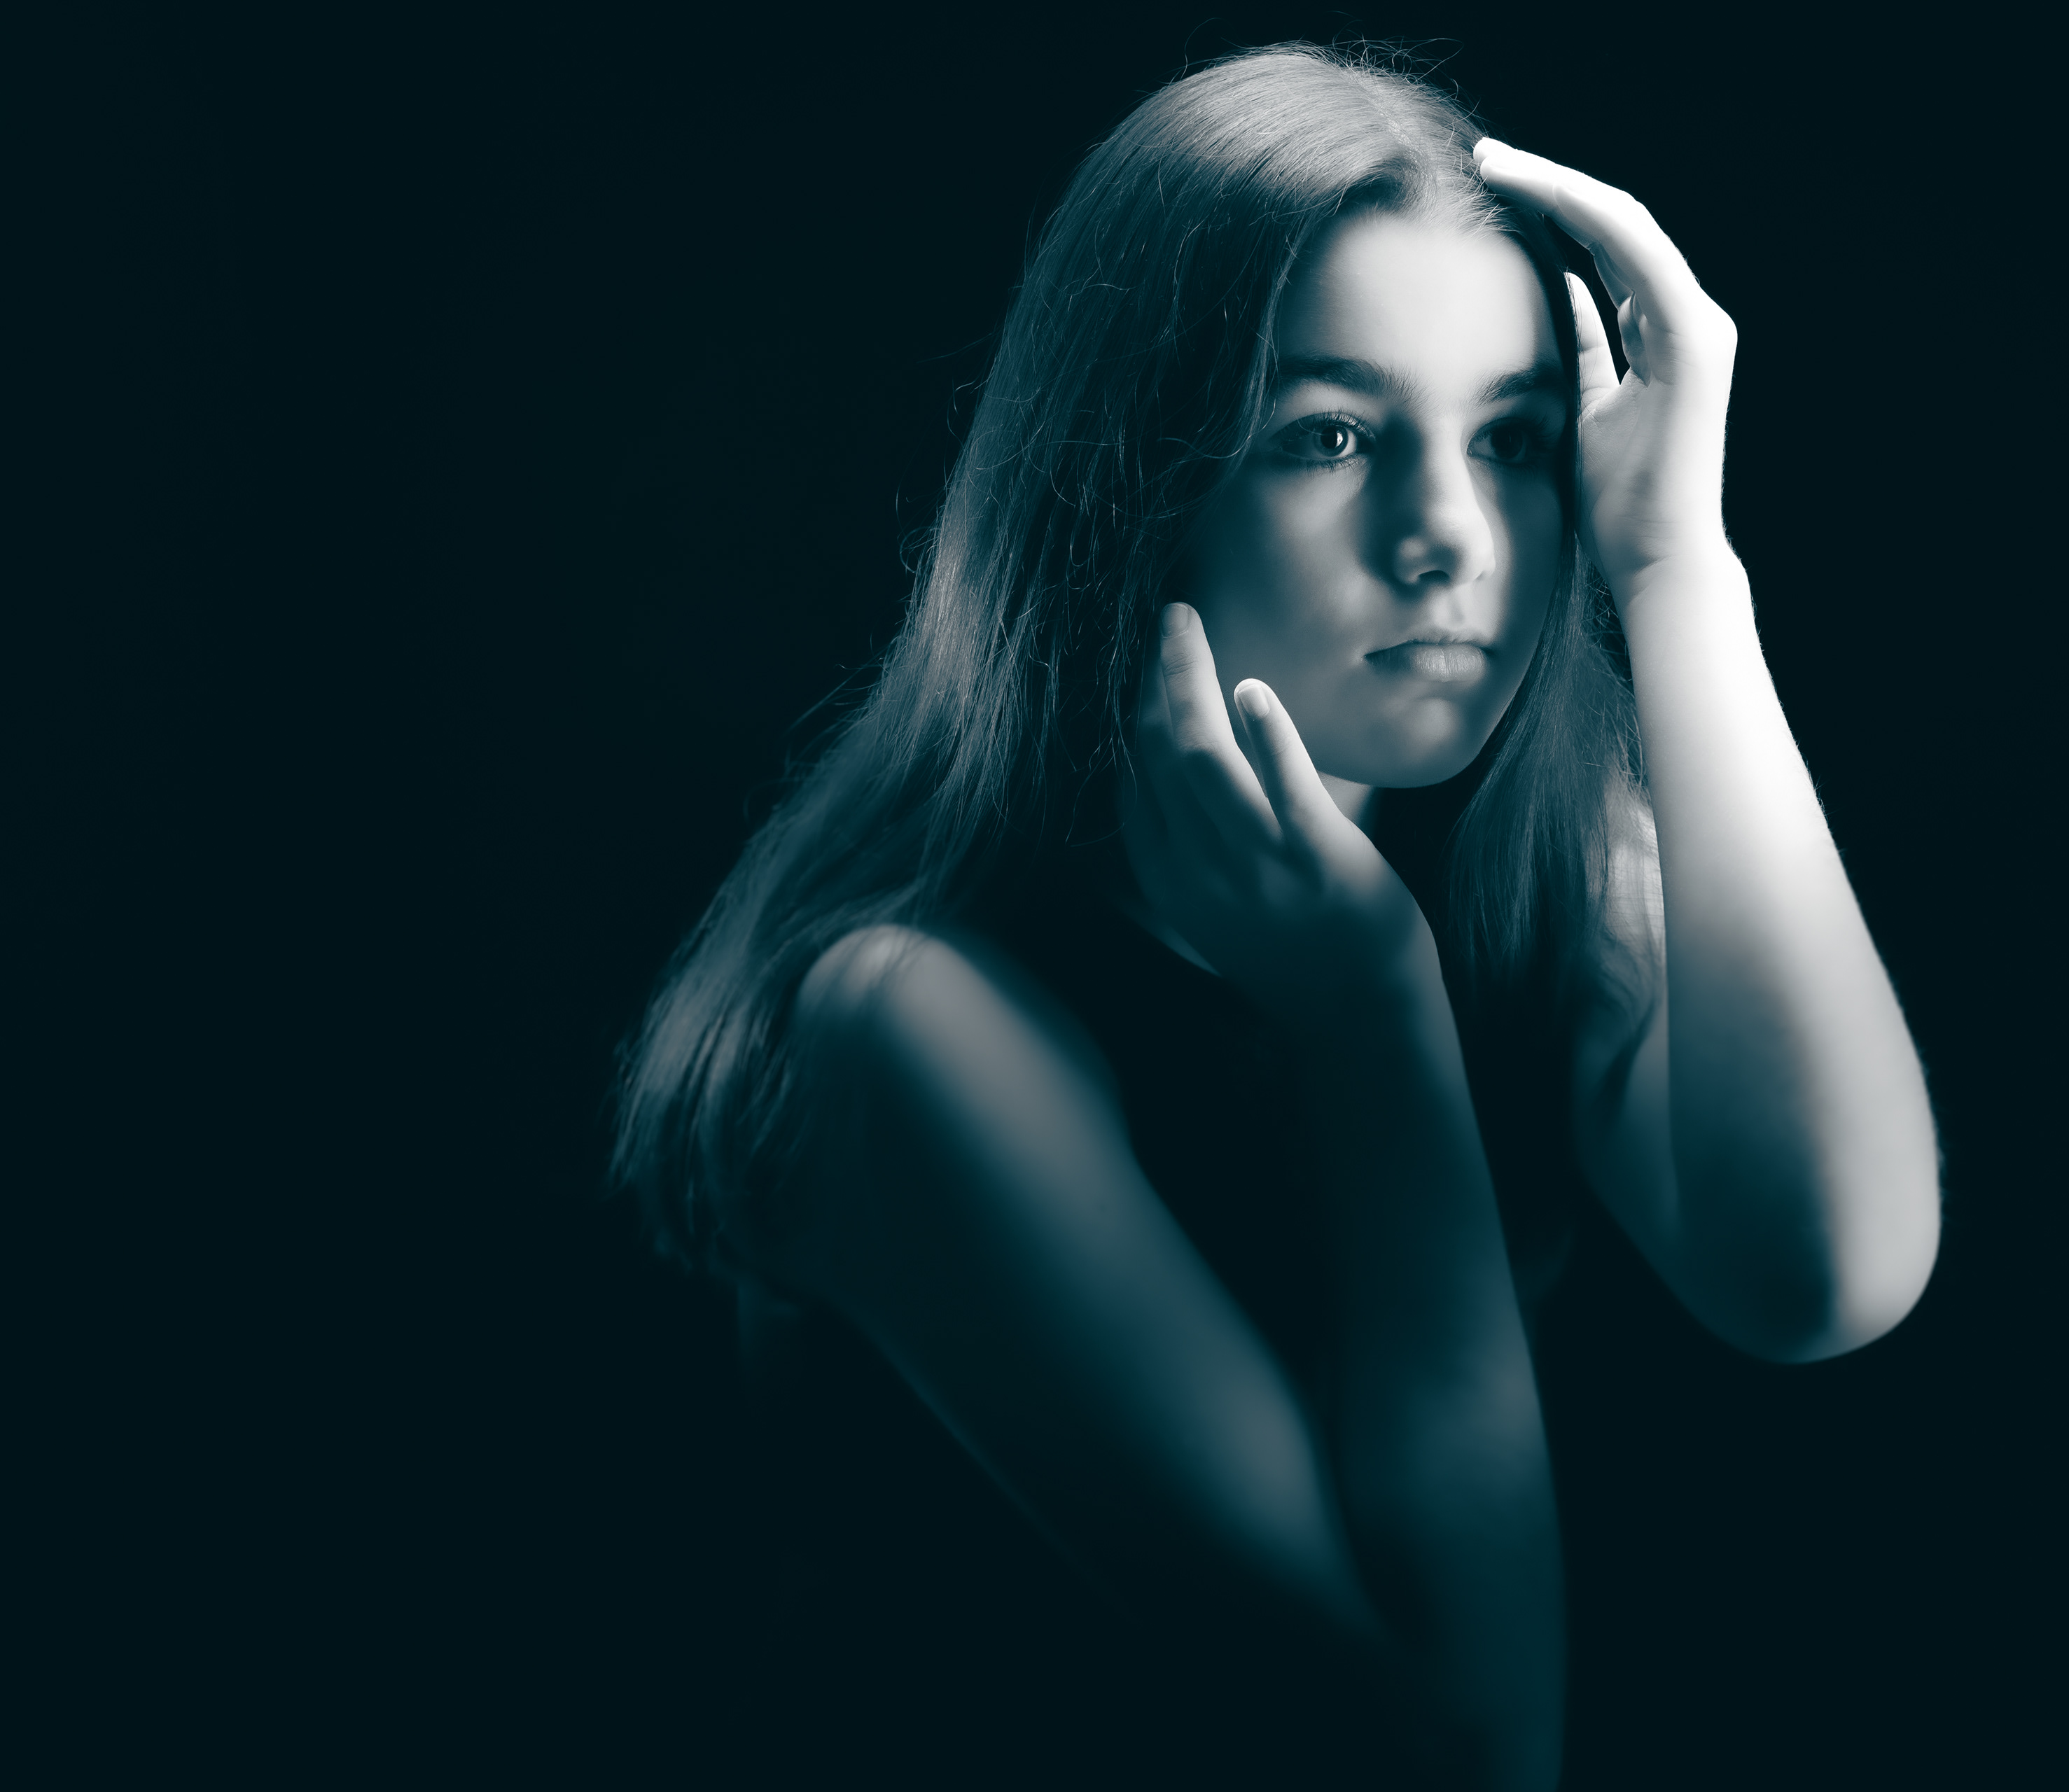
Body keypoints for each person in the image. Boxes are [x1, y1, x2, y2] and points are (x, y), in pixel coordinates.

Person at [616, 44, 1939, 1791]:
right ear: (1130, 485)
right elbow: (1460, 1752)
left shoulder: (1530, 846)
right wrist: (1375, 1011)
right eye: (1331, 436)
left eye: (1515, 440)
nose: (1450, 535)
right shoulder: (904, 1016)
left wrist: (1680, 566)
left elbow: (1824, 1271)